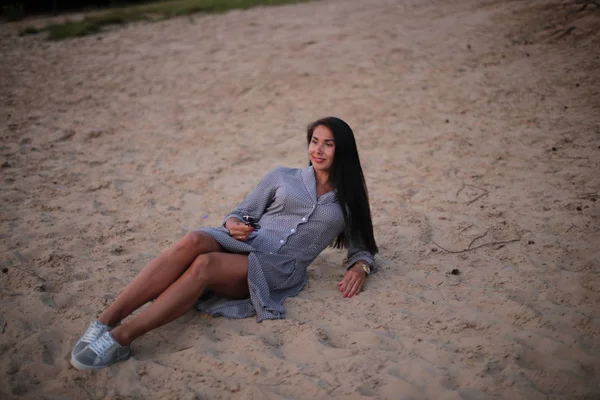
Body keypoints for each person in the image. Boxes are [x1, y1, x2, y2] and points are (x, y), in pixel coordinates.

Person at [70, 116, 379, 371]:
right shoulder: (282, 175)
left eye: (328, 144)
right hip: (247, 242)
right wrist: (234, 225)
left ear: (343, 150)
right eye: (314, 141)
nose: (318, 150)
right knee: (194, 239)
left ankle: (120, 339)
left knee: (205, 264)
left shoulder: (349, 200)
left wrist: (360, 267)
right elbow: (241, 213)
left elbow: (362, 247)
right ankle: (104, 321)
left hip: (278, 267)